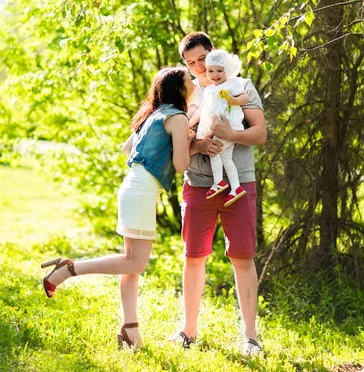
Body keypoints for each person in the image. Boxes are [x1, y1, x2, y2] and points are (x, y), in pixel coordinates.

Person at [41, 66, 195, 350]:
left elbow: (128, 149)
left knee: (131, 264)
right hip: (141, 192)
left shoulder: (152, 114)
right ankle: (67, 269)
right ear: (179, 88)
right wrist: (193, 143)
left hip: (132, 187)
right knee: (136, 262)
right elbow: (181, 165)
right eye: (190, 79)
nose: (194, 81)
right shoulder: (178, 117)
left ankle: (131, 330)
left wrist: (172, 146)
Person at [172, 32, 266, 356]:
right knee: (194, 256)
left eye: (202, 59)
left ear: (213, 54)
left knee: (242, 256)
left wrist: (231, 135)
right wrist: (198, 144)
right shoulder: (185, 92)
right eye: (191, 63)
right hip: (198, 184)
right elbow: (176, 137)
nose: (198, 67)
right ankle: (189, 330)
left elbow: (260, 132)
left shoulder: (241, 85)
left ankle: (250, 337)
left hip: (238, 185)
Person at [189, 49, 250, 205]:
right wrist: (189, 124)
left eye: (219, 71)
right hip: (216, 127)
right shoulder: (210, 89)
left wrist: (232, 100)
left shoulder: (232, 83)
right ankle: (236, 188)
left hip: (228, 125)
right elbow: (202, 109)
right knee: (226, 158)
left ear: (227, 71)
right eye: (210, 71)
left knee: (214, 151)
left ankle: (219, 183)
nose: (214, 75)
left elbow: (245, 98)